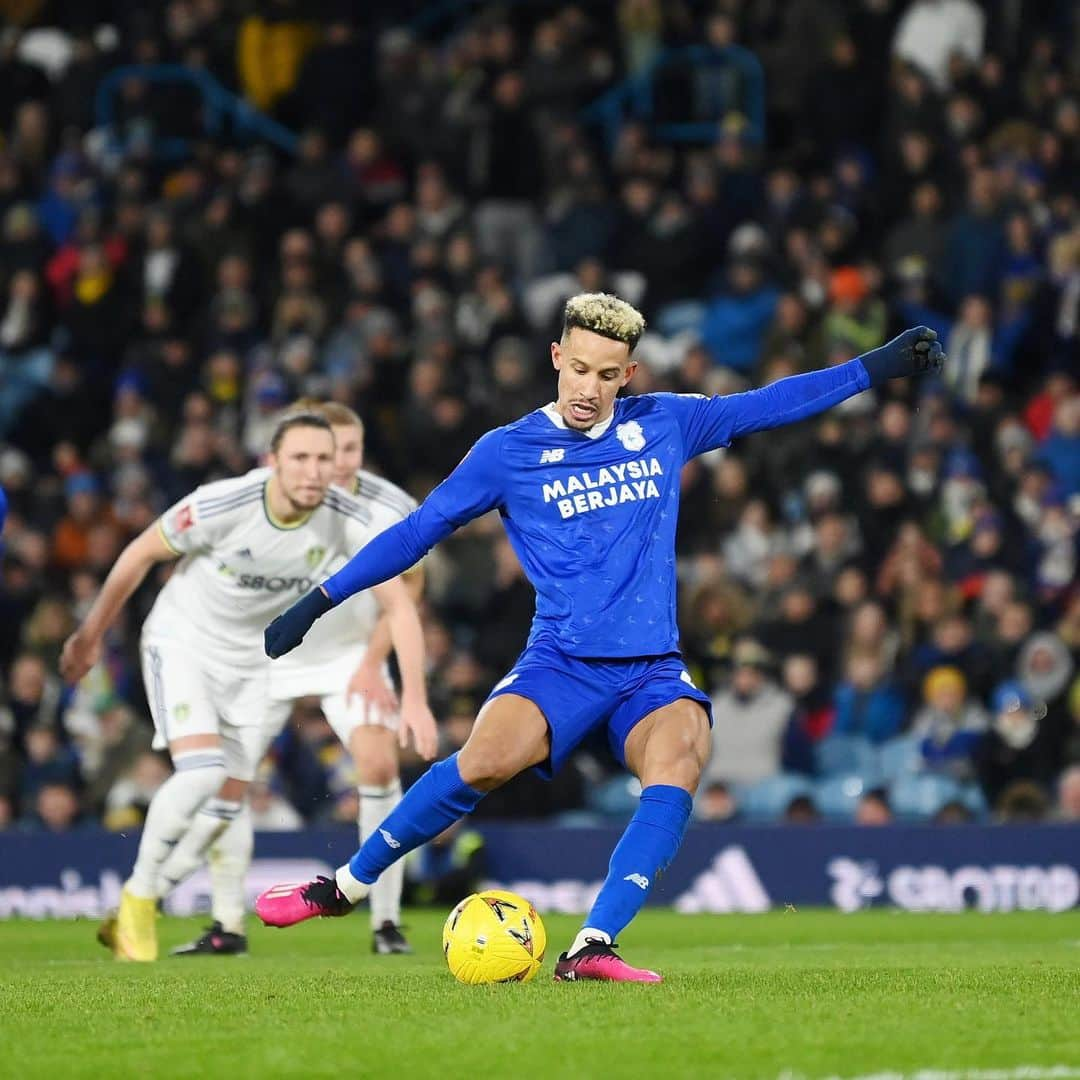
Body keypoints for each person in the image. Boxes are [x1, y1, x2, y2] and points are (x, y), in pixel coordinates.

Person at [256, 293, 945, 983]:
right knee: (485, 762)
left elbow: (769, 403)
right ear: (557, 357)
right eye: (578, 369)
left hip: (649, 669)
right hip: (560, 661)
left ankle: (592, 945)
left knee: (680, 758)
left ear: (629, 374)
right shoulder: (507, 453)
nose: (589, 388)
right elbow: (417, 533)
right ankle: (341, 888)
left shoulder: (668, 423)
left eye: (607, 375)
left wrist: (876, 367)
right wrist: (321, 599)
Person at [59, 411, 433, 961]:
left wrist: (415, 697)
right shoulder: (224, 503)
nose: (313, 471)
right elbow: (140, 551)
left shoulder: (355, 514)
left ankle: (162, 905)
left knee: (228, 795)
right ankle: (143, 900)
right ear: (272, 461)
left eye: (323, 459)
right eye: (300, 458)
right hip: (184, 640)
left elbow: (402, 601)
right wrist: (91, 634)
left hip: (257, 659)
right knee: (207, 772)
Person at [252, 399, 429, 956]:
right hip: (271, 653)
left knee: (377, 765)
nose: (341, 463)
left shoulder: (387, 506)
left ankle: (385, 921)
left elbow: (410, 593)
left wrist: (374, 662)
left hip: (351, 652)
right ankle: (224, 924)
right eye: (330, 452)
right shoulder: (265, 493)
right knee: (224, 777)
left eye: (350, 449)